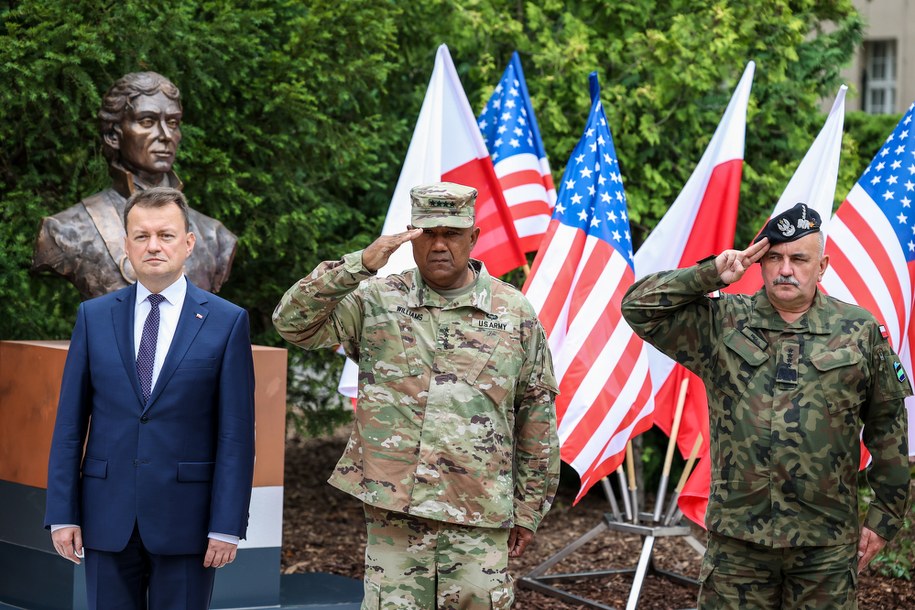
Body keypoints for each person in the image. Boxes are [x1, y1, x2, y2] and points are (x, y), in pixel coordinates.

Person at [273, 182, 560, 609]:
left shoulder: (513, 312)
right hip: (396, 515)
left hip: (478, 513)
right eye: (428, 233)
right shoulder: (377, 300)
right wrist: (359, 264)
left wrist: (529, 508)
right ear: (411, 234)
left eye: (452, 233)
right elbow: (292, 323)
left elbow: (536, 416)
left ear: (473, 237)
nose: (439, 245)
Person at [621, 202, 911, 609]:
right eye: (774, 257)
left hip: (824, 547)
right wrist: (712, 273)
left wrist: (884, 519)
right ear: (760, 262)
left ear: (822, 265)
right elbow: (638, 307)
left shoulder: (858, 331)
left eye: (798, 258)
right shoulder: (721, 322)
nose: (785, 269)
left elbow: (888, 428)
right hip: (738, 546)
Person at [44, 187, 256, 609]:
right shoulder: (93, 316)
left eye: (166, 235)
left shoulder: (227, 322)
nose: (153, 246)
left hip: (188, 522)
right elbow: (70, 425)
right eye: (141, 236)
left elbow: (236, 436)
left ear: (188, 243)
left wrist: (227, 525)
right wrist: (62, 512)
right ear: (126, 245)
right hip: (106, 516)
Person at [31, 71, 237, 299]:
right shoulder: (66, 230)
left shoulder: (215, 237)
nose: (166, 135)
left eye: (173, 122)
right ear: (113, 134)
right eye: (147, 121)